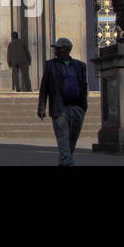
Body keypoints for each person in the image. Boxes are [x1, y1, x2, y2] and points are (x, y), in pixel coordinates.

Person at [37, 37, 88, 166]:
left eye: (58, 48)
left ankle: (64, 161)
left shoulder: (80, 66)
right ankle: (69, 163)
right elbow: (44, 88)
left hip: (77, 107)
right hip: (60, 108)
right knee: (63, 138)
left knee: (72, 141)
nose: (56, 51)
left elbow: (83, 86)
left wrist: (83, 107)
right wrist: (42, 107)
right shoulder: (50, 65)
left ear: (66, 50)